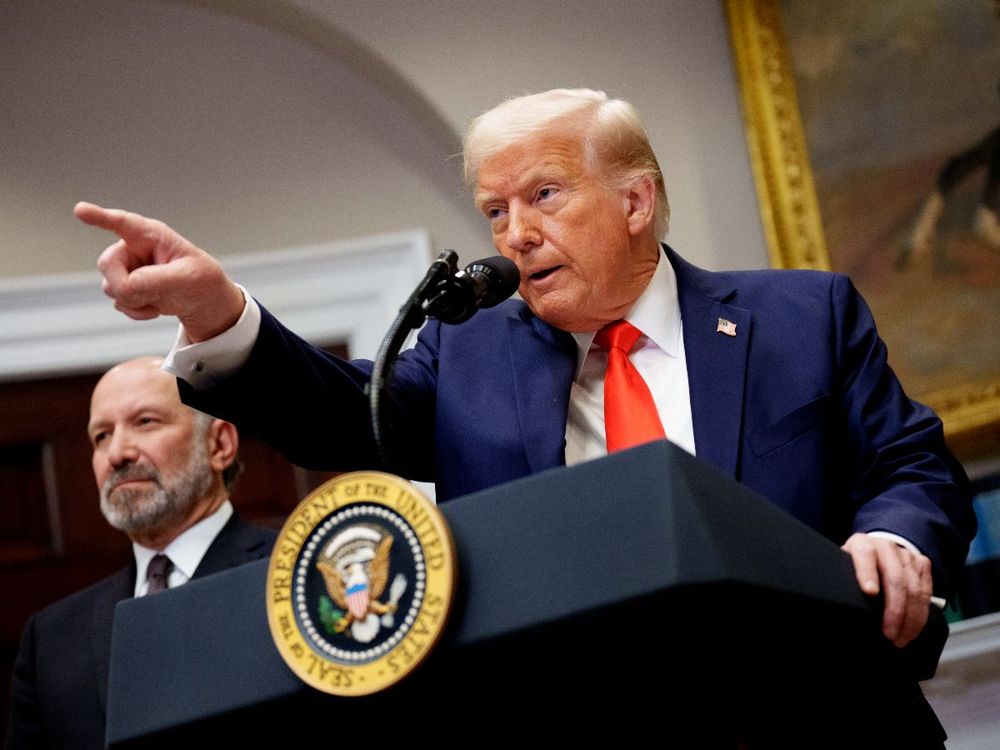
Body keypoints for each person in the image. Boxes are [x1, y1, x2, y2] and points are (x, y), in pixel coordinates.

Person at [73, 89, 973, 740]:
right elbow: (348, 416)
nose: (514, 235)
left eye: (543, 195)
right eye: (494, 211)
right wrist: (216, 312)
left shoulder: (800, 317)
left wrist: (895, 537)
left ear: (635, 200)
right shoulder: (471, 354)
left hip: (825, 719)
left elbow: (913, 467)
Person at [6, 357, 276, 750]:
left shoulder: (292, 575)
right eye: (101, 436)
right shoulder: (51, 639)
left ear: (220, 444)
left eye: (145, 421)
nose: (117, 453)